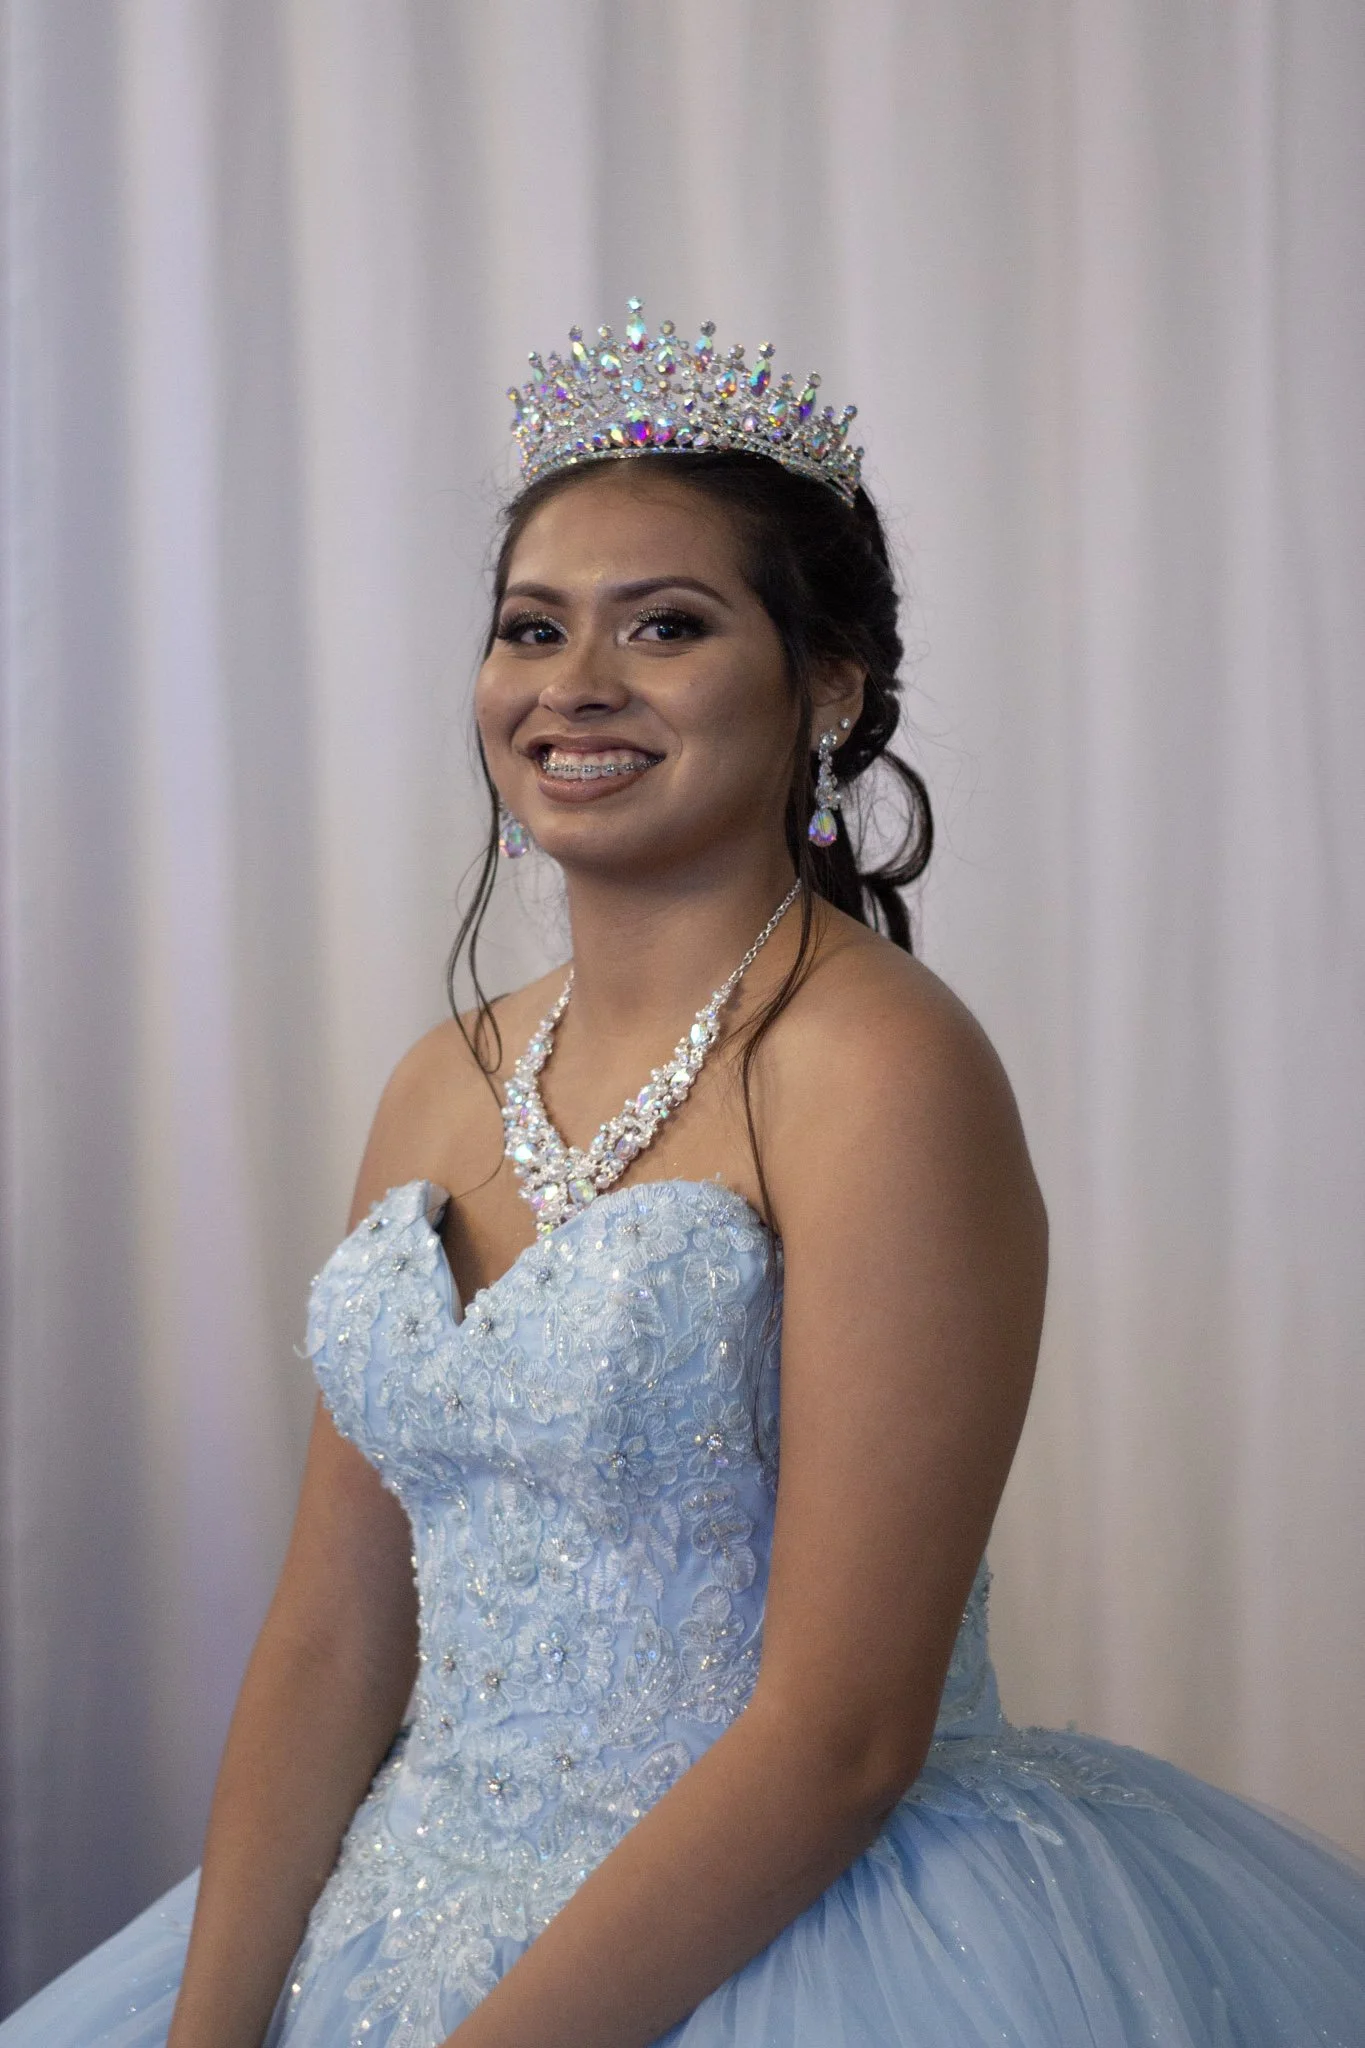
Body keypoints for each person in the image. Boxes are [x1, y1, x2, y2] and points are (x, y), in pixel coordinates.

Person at [4, 301, 1363, 2048]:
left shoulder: (879, 1069)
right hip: (397, 1921)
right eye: (530, 629)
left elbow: (841, 1735)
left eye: (666, 626)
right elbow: (334, 1643)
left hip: (793, 1937)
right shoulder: (442, 1081)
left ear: (830, 686)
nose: (576, 683)